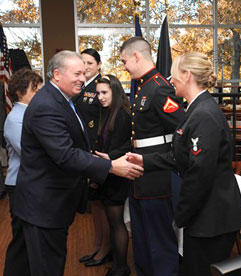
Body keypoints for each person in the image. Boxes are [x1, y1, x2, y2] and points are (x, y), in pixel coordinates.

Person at [4, 50, 143, 276]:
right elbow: (64, 154)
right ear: (57, 75)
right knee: (47, 267)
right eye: (77, 73)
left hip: (46, 203)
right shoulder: (47, 105)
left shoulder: (60, 99)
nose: (82, 77)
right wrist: (111, 167)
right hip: (44, 206)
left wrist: (99, 158)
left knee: (27, 263)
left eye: (84, 72)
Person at [127, 52, 241, 276]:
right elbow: (180, 156)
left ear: (188, 75)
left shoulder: (203, 115)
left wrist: (180, 214)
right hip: (205, 216)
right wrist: (144, 159)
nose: (170, 81)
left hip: (213, 219)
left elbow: (199, 173)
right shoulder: (195, 110)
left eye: (173, 75)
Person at [120, 37, 185, 276]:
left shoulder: (159, 87)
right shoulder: (143, 87)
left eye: (125, 60)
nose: (124, 66)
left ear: (137, 56)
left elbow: (182, 130)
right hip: (139, 175)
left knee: (158, 240)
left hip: (156, 176)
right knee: (142, 237)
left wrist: (167, 160)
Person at [3, 68, 43, 276]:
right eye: (35, 90)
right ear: (19, 92)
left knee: (29, 238)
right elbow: (30, 152)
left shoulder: (29, 114)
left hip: (28, 183)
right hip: (19, 184)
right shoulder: (15, 118)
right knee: (21, 238)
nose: (39, 95)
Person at [74, 49, 111, 266]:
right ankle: (97, 245)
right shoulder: (81, 88)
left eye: (90, 62)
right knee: (94, 204)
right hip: (84, 150)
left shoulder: (100, 87)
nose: (86, 66)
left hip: (96, 150)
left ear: (98, 65)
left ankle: (105, 249)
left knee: (101, 204)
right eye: (83, 62)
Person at [94, 75, 131, 276]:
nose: (100, 97)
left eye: (104, 92)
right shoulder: (106, 113)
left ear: (115, 92)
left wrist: (110, 156)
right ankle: (118, 265)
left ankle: (122, 268)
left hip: (118, 174)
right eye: (98, 93)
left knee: (117, 223)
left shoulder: (123, 114)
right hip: (108, 172)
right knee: (112, 221)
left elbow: (130, 145)